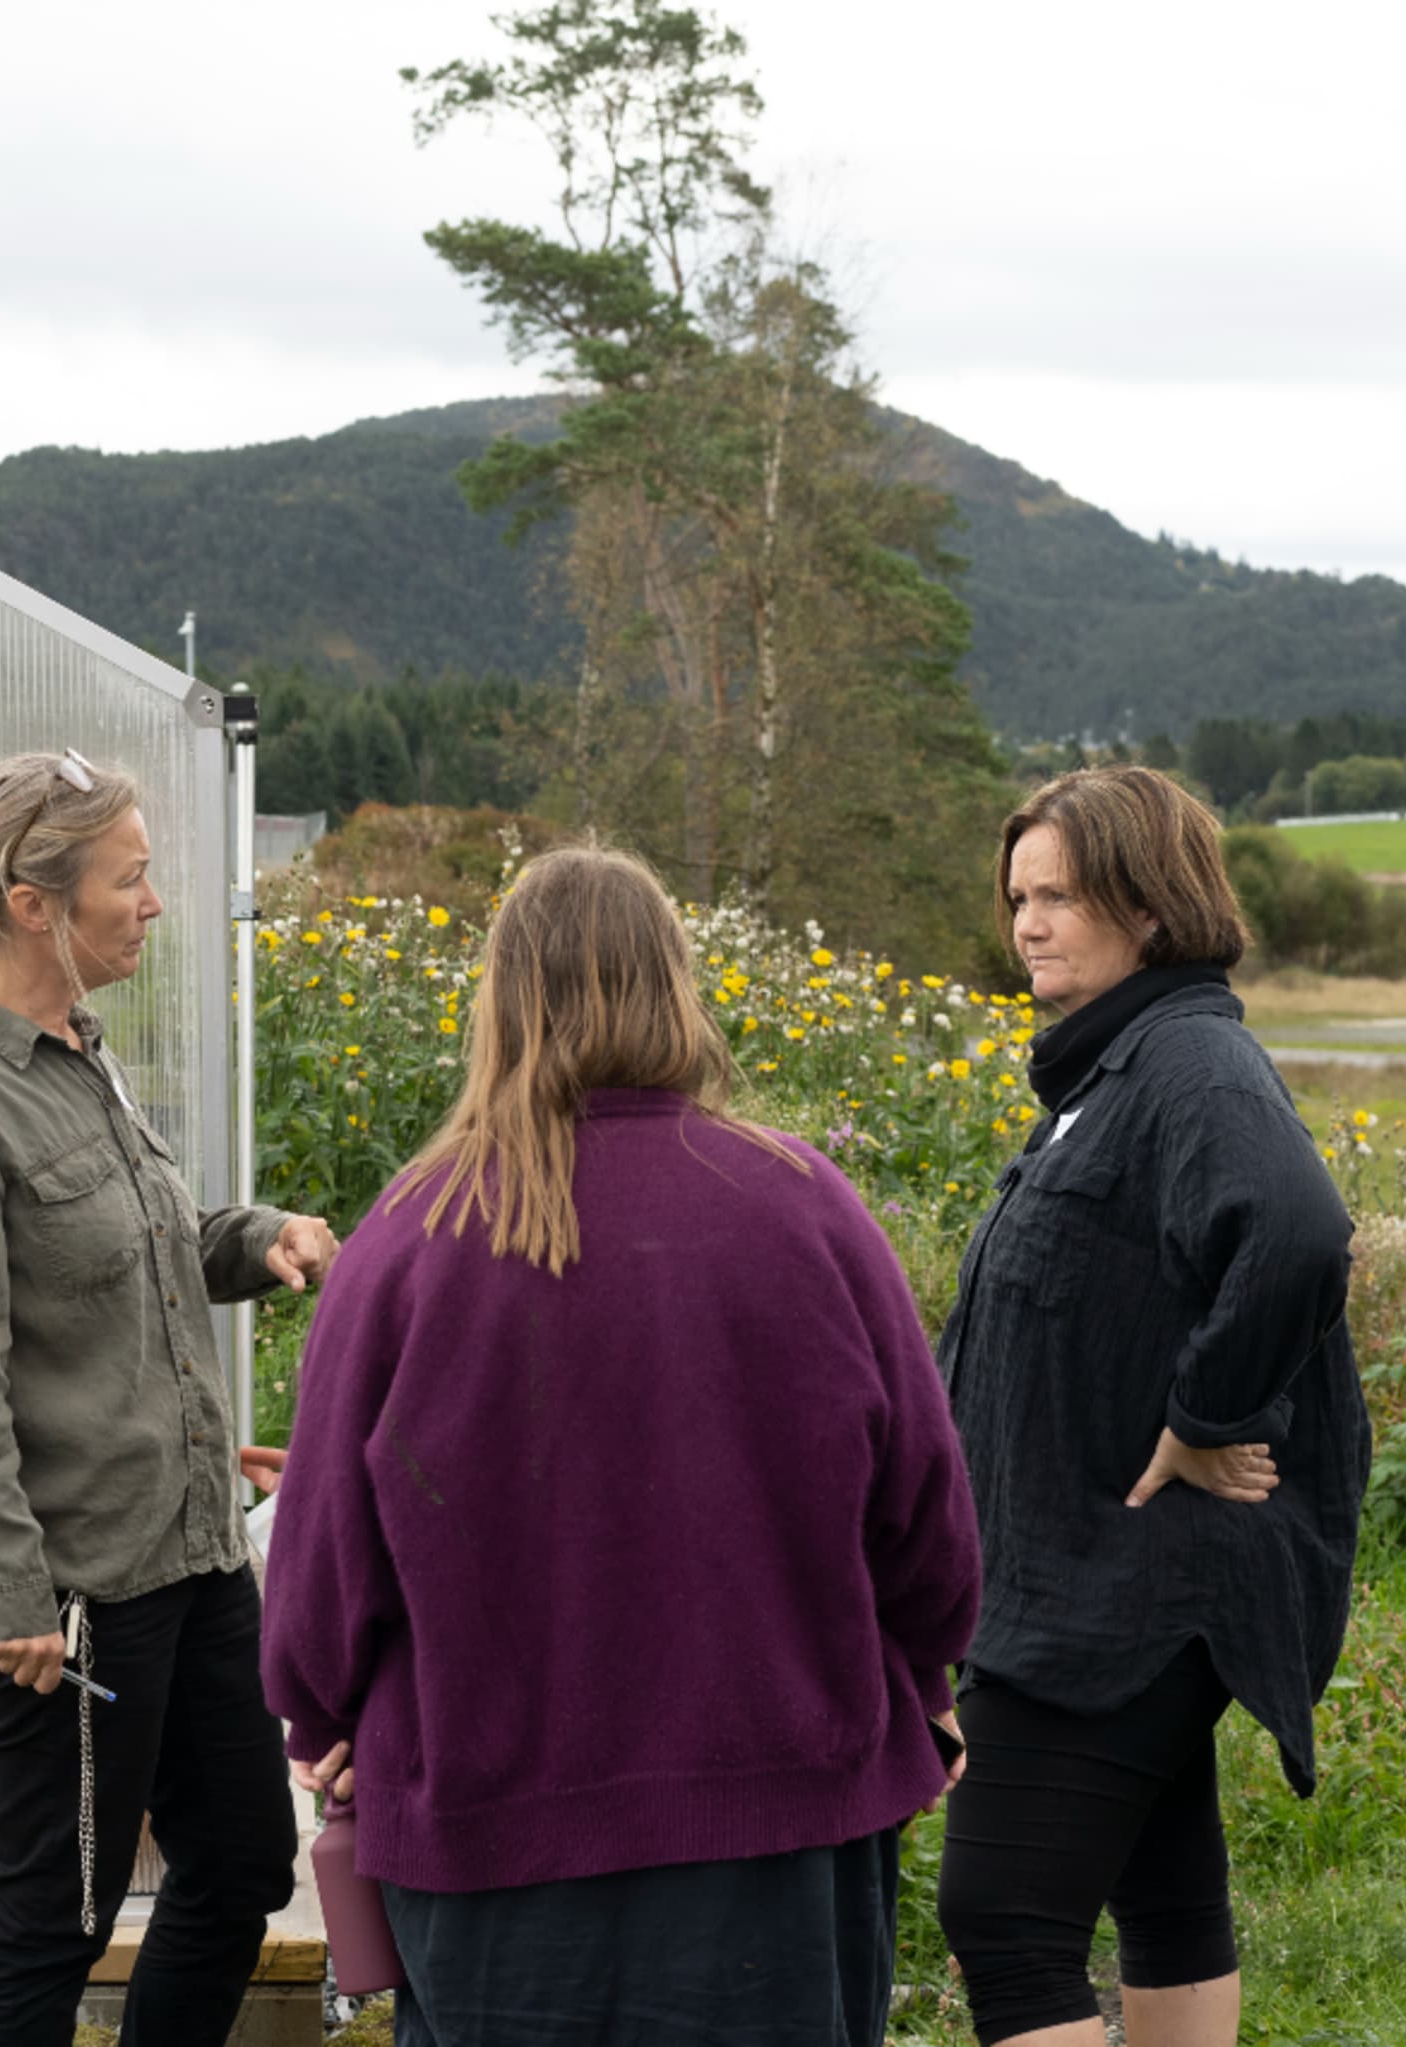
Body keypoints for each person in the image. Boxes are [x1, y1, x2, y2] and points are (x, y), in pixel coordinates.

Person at [258, 844, 979, 2047]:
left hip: (492, 1844)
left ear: (502, 999)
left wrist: (320, 1718)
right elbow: (929, 1525)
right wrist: (927, 1679)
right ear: (678, 987)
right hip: (786, 1830)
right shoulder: (806, 1206)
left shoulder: (410, 1237)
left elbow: (323, 1561)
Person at [0, 748, 342, 2047]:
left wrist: (253, 1237)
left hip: (187, 1552)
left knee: (241, 1861)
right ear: (35, 904)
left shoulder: (80, 1050)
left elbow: (140, 1241)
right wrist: (14, 1597)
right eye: (130, 878)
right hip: (69, 1596)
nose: (154, 902)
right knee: (56, 1914)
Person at [931, 766, 1368, 2047]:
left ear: (1151, 903)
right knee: (1162, 1880)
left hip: (1117, 1592)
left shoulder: (1190, 1061)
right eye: (1020, 895)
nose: (1028, 923)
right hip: (1097, 1579)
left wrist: (1206, 1415)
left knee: (1003, 1914)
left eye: (1061, 894)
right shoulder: (1118, 1068)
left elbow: (1296, 1232)